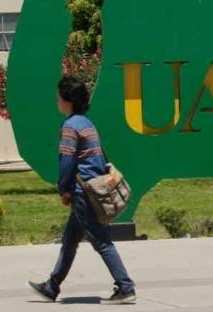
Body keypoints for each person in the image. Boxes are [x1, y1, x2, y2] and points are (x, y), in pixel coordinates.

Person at [28, 75, 136, 304]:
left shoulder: (70, 126)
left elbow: (67, 161)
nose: (56, 99)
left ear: (68, 99)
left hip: (83, 193)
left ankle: (125, 287)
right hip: (91, 189)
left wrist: (63, 189)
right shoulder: (87, 123)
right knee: (70, 240)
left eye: (59, 95)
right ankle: (52, 286)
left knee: (102, 242)